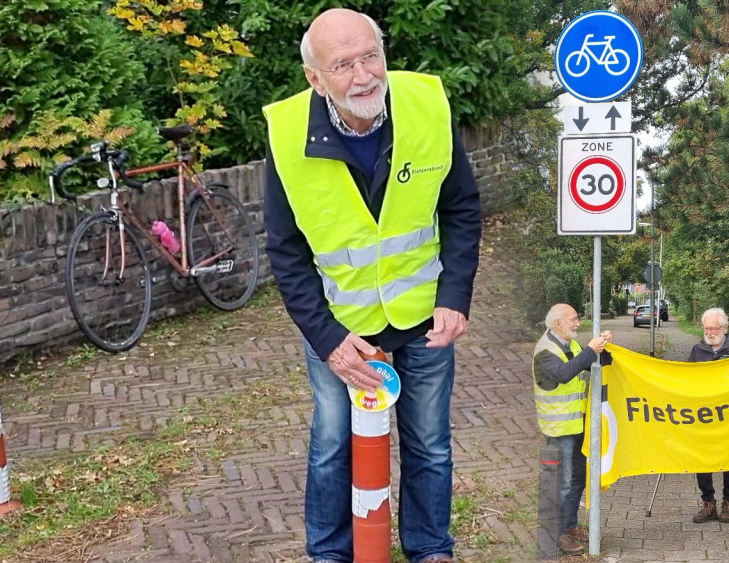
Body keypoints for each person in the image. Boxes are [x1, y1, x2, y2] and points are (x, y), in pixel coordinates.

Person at [262, 9, 481, 563]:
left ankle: (431, 548)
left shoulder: (427, 106)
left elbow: (460, 207)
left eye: (370, 57)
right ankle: (330, 554)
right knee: (332, 445)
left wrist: (454, 295)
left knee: (429, 444)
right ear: (316, 79)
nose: (363, 76)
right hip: (342, 330)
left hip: (423, 317)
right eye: (343, 65)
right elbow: (286, 253)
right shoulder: (288, 136)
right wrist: (327, 339)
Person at [532, 303, 612, 555]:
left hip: (576, 424)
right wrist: (591, 349)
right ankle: (558, 535)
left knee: (577, 478)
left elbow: (590, 364)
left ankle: (570, 525)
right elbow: (565, 373)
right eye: (573, 320)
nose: (578, 323)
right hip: (558, 428)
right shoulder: (545, 350)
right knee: (565, 482)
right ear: (557, 323)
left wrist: (602, 349)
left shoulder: (571, 344)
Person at [688, 307, 729, 524]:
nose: (710, 332)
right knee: (702, 458)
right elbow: (687, 379)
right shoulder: (697, 350)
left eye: (715, 328)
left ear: (725, 327)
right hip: (703, 414)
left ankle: (728, 502)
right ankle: (708, 503)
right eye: (707, 328)